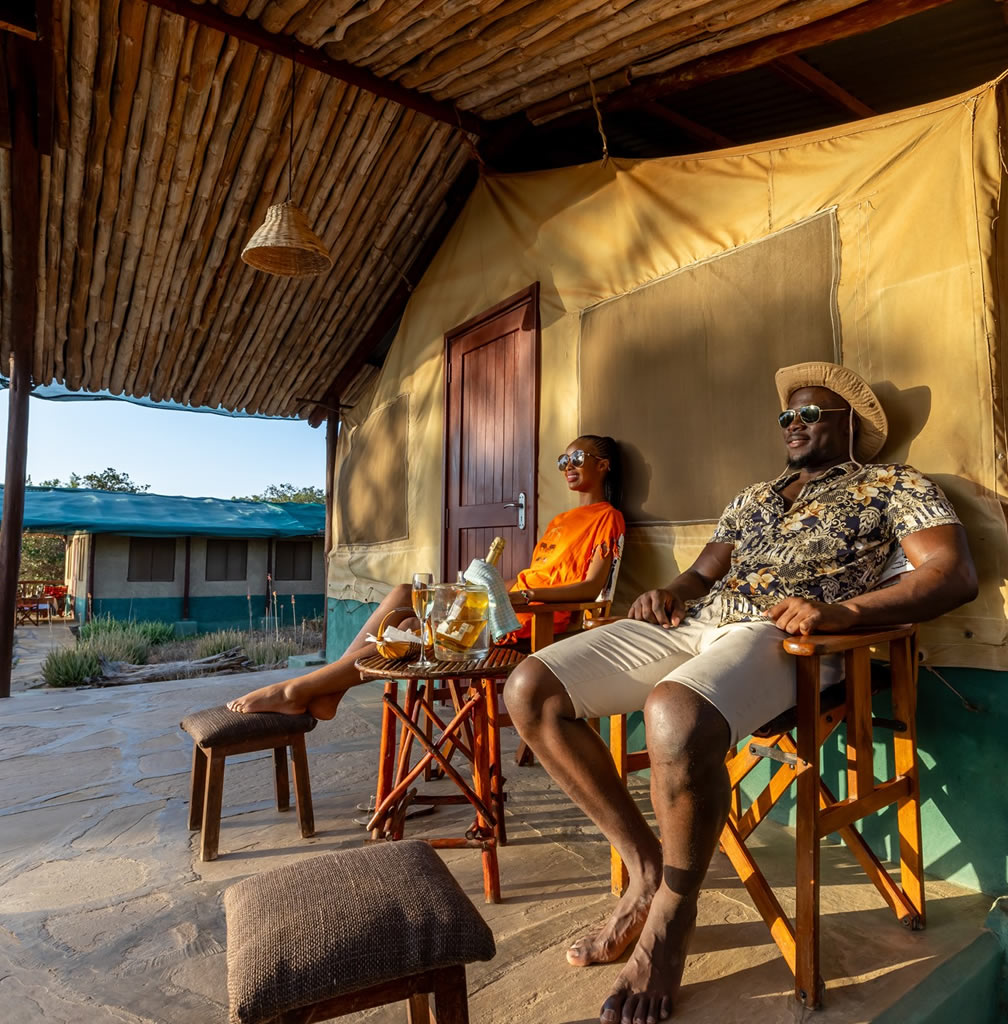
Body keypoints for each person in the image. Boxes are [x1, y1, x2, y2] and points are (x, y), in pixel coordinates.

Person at [502, 362, 978, 1024]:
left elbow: (952, 575)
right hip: (700, 624)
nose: (792, 425)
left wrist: (842, 613)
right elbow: (703, 571)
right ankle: (645, 870)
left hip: (792, 637)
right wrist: (675, 591)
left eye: (810, 415)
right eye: (787, 416)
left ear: (849, 426)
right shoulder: (754, 496)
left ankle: (672, 912)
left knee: (674, 712)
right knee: (530, 687)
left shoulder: (892, 485)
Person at [226, 435, 625, 720]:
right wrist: (486, 584)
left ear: (603, 465)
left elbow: (591, 588)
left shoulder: (608, 518)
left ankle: (307, 689)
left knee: (410, 626)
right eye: (562, 461)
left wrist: (522, 597)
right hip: (513, 602)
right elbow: (528, 575)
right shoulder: (560, 521)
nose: (568, 467)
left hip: (529, 621)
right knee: (405, 592)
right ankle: (325, 688)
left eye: (578, 458)